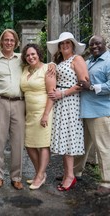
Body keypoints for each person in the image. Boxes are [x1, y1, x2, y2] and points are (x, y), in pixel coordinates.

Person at [47, 32, 88, 191]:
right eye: (62, 43)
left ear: (72, 46)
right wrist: (52, 64)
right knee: (64, 140)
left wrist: (62, 93)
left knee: (69, 139)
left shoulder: (77, 59)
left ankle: (70, 176)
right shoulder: (60, 61)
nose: (64, 45)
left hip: (71, 102)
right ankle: (67, 174)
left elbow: (84, 83)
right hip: (61, 103)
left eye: (68, 43)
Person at [0, 29, 25, 190]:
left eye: (12, 40)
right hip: (0, 102)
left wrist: (51, 64)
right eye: (6, 40)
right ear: (1, 41)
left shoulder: (22, 59)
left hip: (19, 103)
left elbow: (38, 66)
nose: (9, 43)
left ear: (16, 43)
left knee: (18, 142)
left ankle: (16, 177)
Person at [74, 35, 110, 196]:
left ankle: (106, 182)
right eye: (92, 44)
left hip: (100, 111)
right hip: (85, 110)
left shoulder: (108, 61)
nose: (95, 46)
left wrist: (91, 87)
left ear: (105, 44)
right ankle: (75, 173)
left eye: (98, 44)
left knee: (103, 148)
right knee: (81, 146)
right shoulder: (89, 62)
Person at [20, 43, 56, 189]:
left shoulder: (48, 69)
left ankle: (40, 175)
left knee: (43, 144)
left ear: (39, 54)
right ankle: (39, 173)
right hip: (29, 114)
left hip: (43, 112)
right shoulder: (25, 69)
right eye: (28, 55)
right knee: (29, 144)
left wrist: (46, 114)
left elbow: (52, 94)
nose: (30, 57)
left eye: (33, 54)